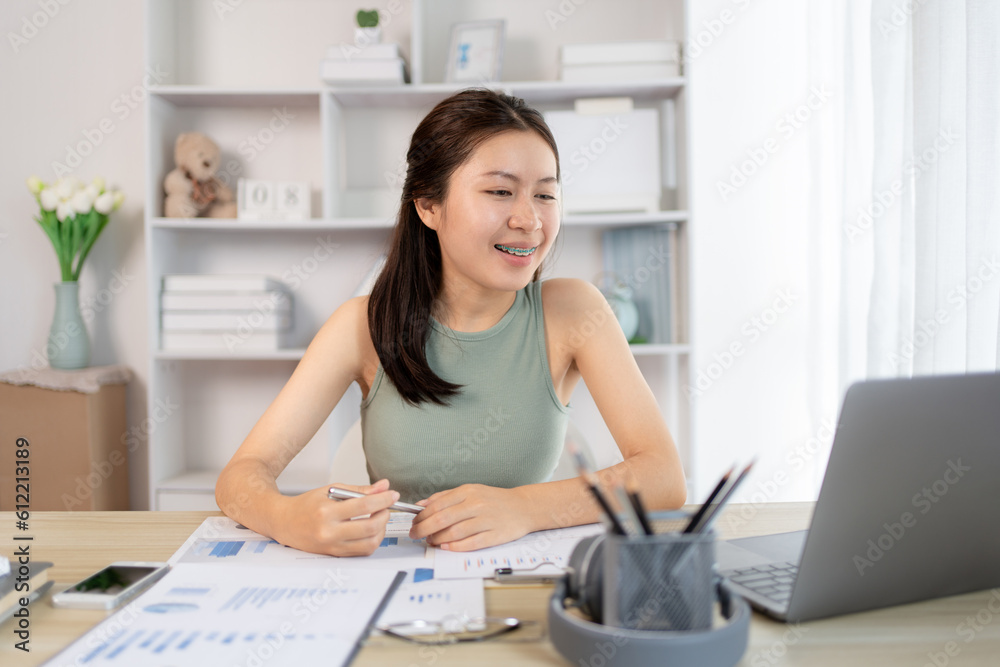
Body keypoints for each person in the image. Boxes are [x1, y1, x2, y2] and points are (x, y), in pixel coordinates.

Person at [216, 88, 686, 557]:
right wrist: (288, 518)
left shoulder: (574, 311)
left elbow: (663, 476)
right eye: (500, 191)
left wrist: (523, 508)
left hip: (520, 575)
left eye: (545, 193)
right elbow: (241, 475)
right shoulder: (361, 325)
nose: (529, 219)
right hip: (398, 577)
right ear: (429, 206)